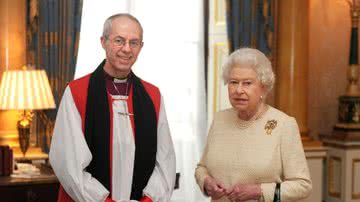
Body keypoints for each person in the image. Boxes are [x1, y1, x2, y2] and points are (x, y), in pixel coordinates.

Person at [49, 13, 176, 202]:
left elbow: (165, 162)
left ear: (141, 47)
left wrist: (149, 199)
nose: (126, 49)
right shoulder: (77, 92)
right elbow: (68, 164)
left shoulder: (152, 96)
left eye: (134, 42)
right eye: (119, 40)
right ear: (103, 41)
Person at [195, 48, 312, 202]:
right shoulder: (220, 120)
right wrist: (206, 182)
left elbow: (302, 185)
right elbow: (201, 168)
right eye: (233, 82)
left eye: (247, 83)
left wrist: (259, 191)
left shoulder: (283, 125)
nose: (238, 90)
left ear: (263, 86)